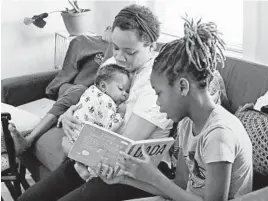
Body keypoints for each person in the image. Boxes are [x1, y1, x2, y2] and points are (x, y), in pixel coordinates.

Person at [11, 4, 173, 201]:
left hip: (128, 172)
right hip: (89, 159)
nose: (119, 58)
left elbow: (122, 151)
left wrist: (71, 148)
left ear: (152, 46)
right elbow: (92, 100)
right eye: (115, 47)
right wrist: (70, 113)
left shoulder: (155, 83)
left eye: (129, 52)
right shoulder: (112, 64)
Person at [94, 17, 253, 201]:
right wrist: (123, 179)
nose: (158, 103)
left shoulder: (219, 134)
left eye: (159, 93)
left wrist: (154, 176)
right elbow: (179, 188)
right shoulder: (187, 124)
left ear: (183, 87)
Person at [59, 64, 130, 156]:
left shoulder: (90, 91)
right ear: (103, 86)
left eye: (127, 91)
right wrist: (120, 114)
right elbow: (108, 127)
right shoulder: (106, 101)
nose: (125, 94)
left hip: (72, 135)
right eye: (121, 89)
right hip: (84, 143)